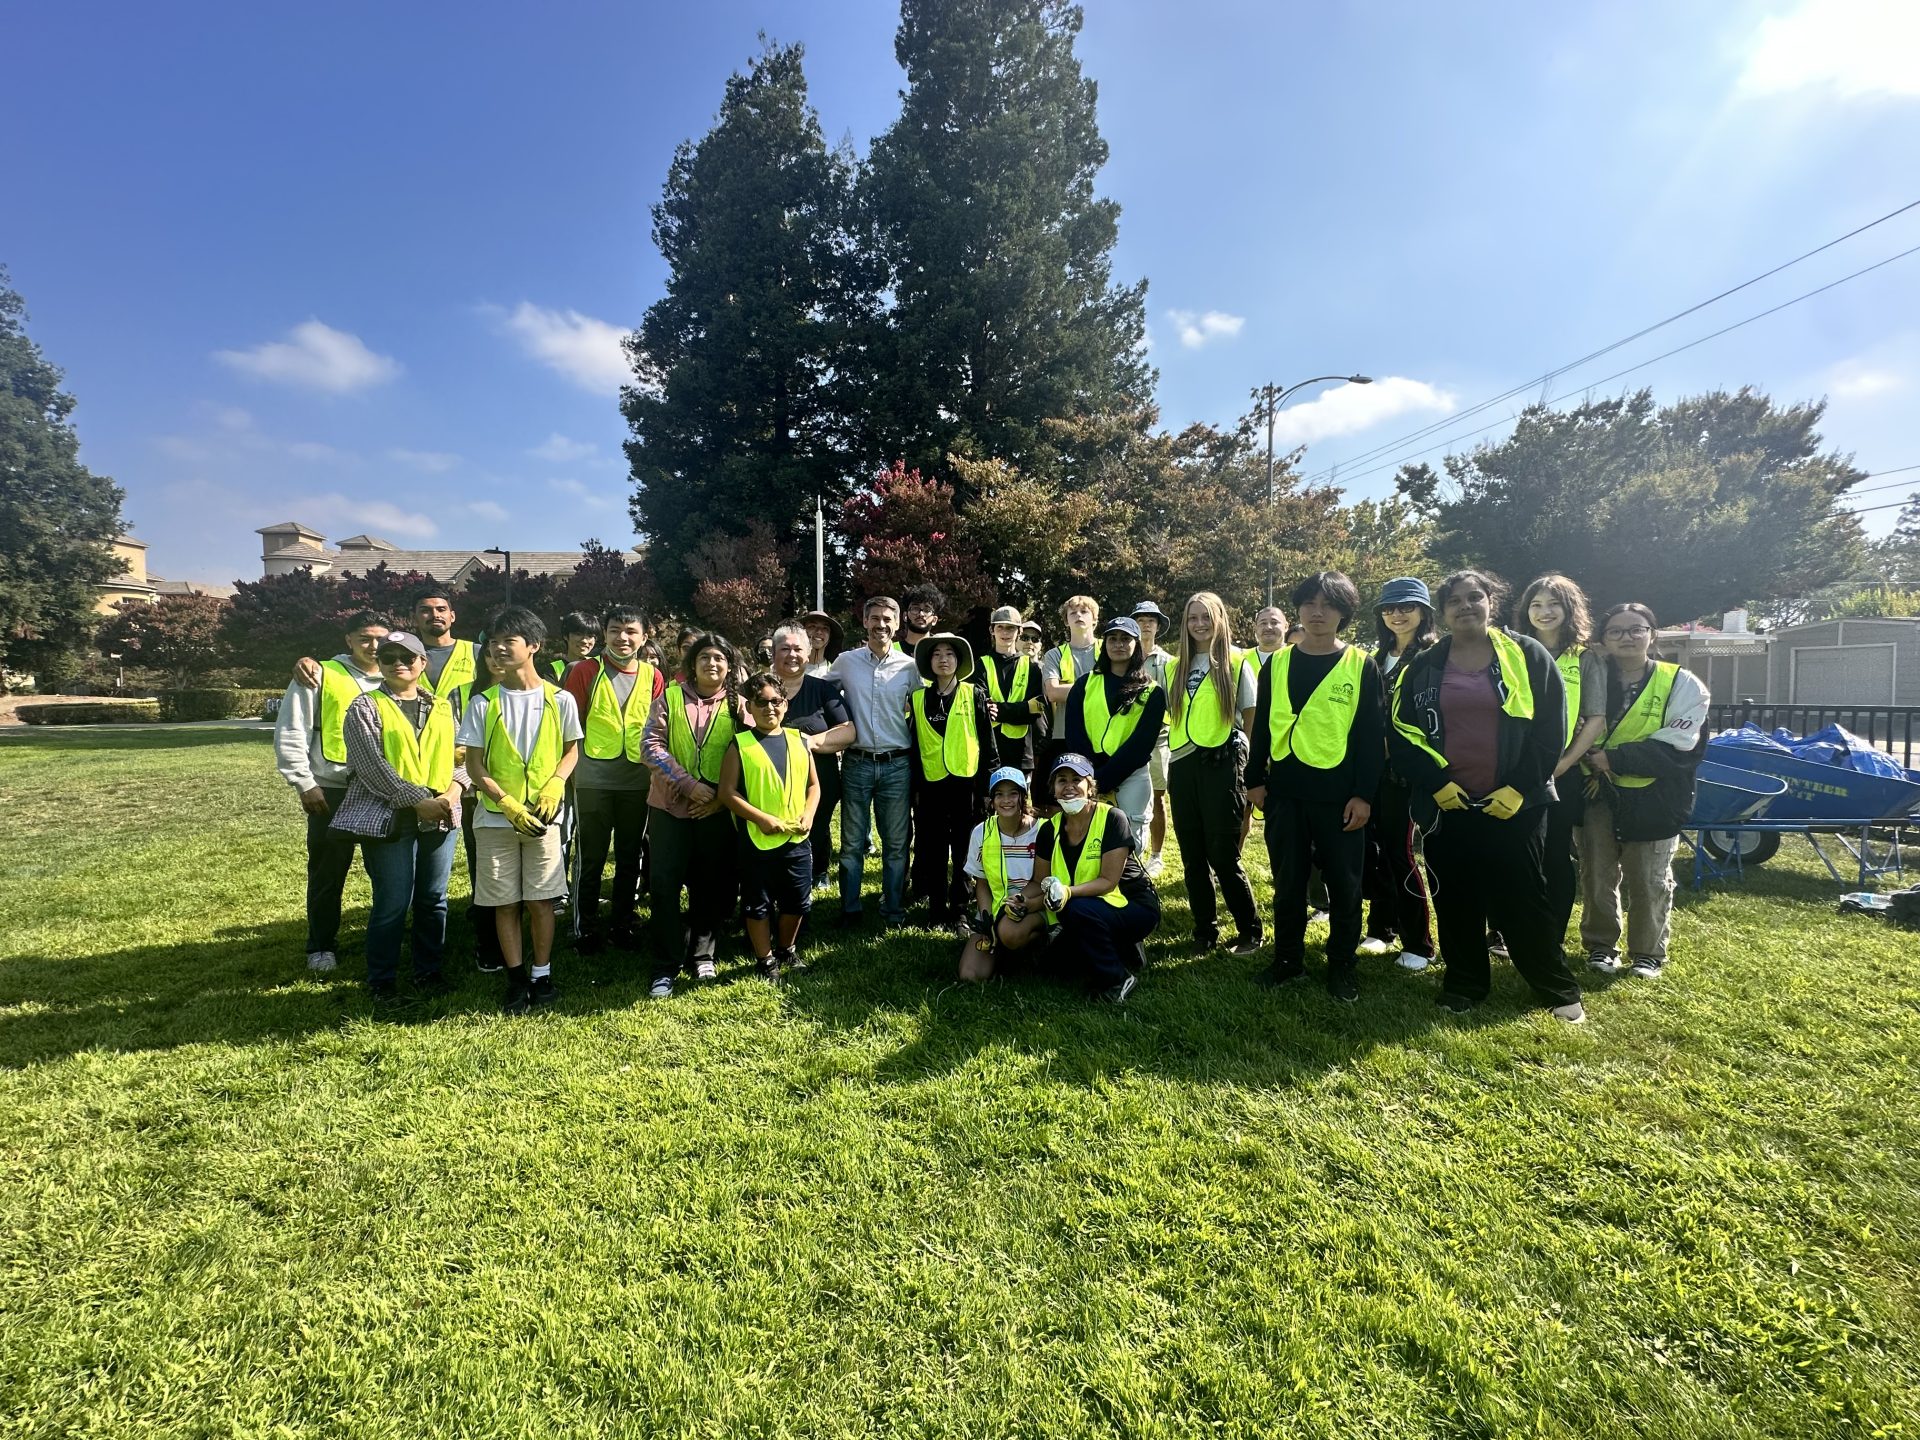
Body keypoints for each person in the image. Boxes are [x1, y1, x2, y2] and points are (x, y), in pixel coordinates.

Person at [1387, 570, 1586, 1022]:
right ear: (1443, 611)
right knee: (1455, 898)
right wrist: (1436, 784)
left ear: (1491, 602)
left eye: (1474, 597)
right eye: (1454, 600)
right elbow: (1401, 734)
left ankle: (1556, 987)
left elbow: (1550, 729)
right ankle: (1464, 983)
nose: (1465, 606)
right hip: (1448, 805)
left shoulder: (1527, 655)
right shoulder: (1424, 664)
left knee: (1522, 898)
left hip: (1514, 804)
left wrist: (1519, 787)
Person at [1244, 572, 1384, 1002]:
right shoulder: (1278, 662)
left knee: (1345, 885)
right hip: (1286, 793)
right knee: (1288, 882)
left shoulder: (1361, 665)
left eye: (1328, 604)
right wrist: (1254, 779)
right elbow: (1263, 725)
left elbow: (1370, 735)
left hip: (1341, 798)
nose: (1317, 612)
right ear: (1298, 610)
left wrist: (1364, 794)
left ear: (1344, 612)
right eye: (1309, 603)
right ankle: (1287, 960)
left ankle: (1342, 964)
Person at [458, 607, 584, 1014]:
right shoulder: (483, 703)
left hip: (546, 819)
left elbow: (571, 750)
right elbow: (474, 765)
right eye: (493, 642)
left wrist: (556, 784)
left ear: (533, 646)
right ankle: (515, 977)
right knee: (504, 901)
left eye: (507, 640)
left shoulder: (559, 699)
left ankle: (542, 973)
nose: (497, 648)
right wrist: (506, 803)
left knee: (541, 900)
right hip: (496, 820)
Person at [327, 631, 464, 999]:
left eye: (407, 656)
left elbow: (463, 756)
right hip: (391, 817)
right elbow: (370, 765)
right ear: (380, 664)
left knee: (433, 899)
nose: (398, 663)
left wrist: (455, 790)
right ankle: (382, 979)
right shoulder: (364, 707)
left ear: (423, 663)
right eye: (389, 657)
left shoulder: (443, 707)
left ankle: (428, 971)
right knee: (392, 901)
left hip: (440, 815)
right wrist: (416, 800)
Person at [1580, 603, 1709, 979]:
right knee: (1597, 874)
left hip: (1655, 797)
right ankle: (1601, 947)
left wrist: (1613, 758)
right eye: (1616, 631)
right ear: (1603, 639)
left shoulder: (1681, 682)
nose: (1627, 637)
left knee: (1649, 877)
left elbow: (1680, 743)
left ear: (1652, 634)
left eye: (1636, 629)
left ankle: (1647, 952)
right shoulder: (1593, 676)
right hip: (1596, 793)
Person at [274, 609, 389, 973]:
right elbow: (292, 730)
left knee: (388, 875)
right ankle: (321, 945)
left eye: (381, 639)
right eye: (365, 638)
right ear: (349, 640)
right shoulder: (320, 674)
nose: (374, 646)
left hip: (382, 791)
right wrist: (304, 782)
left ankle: (386, 939)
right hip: (332, 791)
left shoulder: (400, 673)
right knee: (327, 874)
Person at [641, 633, 743, 997]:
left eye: (719, 658)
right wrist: (688, 785)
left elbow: (749, 754)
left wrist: (718, 798)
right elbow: (650, 747)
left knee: (711, 884)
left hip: (716, 811)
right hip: (670, 808)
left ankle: (703, 953)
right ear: (692, 664)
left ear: (729, 666)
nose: (712, 664)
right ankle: (665, 963)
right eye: (704, 658)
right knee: (665, 886)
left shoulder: (739, 706)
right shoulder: (667, 697)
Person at [560, 605, 663, 954]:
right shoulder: (583, 671)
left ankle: (623, 924)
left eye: (631, 631)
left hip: (637, 779)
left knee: (630, 856)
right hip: (592, 780)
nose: (623, 637)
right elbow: (570, 729)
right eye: (615, 630)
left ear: (645, 637)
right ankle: (584, 929)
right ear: (604, 634)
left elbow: (656, 730)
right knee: (590, 857)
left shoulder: (653, 675)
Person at [1165, 592, 1262, 954]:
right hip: (1182, 764)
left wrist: (1247, 762)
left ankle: (1249, 930)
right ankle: (1204, 930)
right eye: (1193, 618)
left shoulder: (1237, 662)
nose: (1199, 624)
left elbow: (1250, 716)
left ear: (1220, 619)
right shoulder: (1175, 666)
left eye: (1206, 617)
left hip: (1222, 762)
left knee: (1222, 853)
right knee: (1191, 855)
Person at [1023, 754, 1161, 1002]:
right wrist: (1022, 901)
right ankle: (1123, 948)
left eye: (1077, 779)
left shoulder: (1112, 817)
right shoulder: (1049, 828)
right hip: (1087, 906)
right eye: (1061, 780)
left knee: (1074, 910)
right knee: (1053, 966)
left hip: (1133, 904)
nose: (1068, 786)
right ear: (1052, 788)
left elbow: (1108, 882)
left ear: (1090, 787)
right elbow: (1038, 882)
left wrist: (1067, 892)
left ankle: (1117, 979)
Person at [719, 671, 822, 981]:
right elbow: (727, 792)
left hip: (796, 839)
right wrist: (760, 819)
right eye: (760, 703)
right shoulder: (741, 744)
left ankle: (786, 949)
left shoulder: (799, 740)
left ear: (785, 705)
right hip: (757, 841)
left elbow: (814, 786)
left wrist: (809, 814)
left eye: (775, 701)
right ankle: (764, 959)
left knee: (797, 899)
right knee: (757, 903)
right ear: (749, 707)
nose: (769, 708)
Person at [1359, 577, 1440, 972]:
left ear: (1424, 611)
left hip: (1407, 774)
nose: (1396, 614)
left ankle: (1420, 944)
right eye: (1388, 608)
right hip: (1373, 770)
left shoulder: (1434, 657)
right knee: (1375, 852)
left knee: (1402, 853)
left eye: (1406, 606)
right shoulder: (1376, 657)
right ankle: (1381, 927)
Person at [1515, 573, 1599, 951]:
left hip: (1560, 774)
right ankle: (1505, 928)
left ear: (1570, 609)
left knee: (1555, 855)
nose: (1544, 612)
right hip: (1513, 770)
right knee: (1512, 851)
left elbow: (1596, 717)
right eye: (1536, 604)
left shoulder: (1586, 658)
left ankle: (1551, 936)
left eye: (1553, 604)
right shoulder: (1512, 651)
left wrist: (1565, 764)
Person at [830, 597, 922, 928]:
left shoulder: (910, 667)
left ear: (897, 625)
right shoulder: (845, 662)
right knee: (852, 843)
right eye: (875, 618)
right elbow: (819, 695)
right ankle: (850, 909)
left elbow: (928, 705)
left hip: (897, 764)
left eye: (887, 619)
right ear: (865, 622)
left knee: (896, 844)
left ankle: (894, 910)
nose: (881, 625)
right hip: (857, 762)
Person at [908, 632, 992, 930]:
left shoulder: (975, 694)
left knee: (962, 849)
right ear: (929, 662)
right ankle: (935, 910)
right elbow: (914, 749)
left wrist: (986, 791)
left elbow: (987, 744)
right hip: (930, 787)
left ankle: (959, 910)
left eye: (950, 654)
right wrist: (914, 790)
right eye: (937, 654)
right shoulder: (917, 699)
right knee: (932, 848)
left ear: (959, 661)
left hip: (966, 786)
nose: (943, 659)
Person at [1063, 617, 1166, 848]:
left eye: (1126, 639)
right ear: (1105, 644)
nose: (1118, 644)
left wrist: (1105, 778)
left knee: (1131, 840)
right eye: (1113, 639)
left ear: (1136, 644)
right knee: (1091, 836)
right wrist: (1092, 774)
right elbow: (1074, 733)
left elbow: (1141, 745)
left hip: (1132, 775)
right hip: (1088, 774)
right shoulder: (1084, 684)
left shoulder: (1152, 692)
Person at [767, 621, 854, 886]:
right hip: (770, 778)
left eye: (798, 649)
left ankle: (819, 870)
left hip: (818, 777)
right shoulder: (760, 690)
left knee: (816, 826)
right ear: (773, 653)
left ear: (807, 654)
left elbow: (848, 731)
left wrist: (811, 742)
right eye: (784, 649)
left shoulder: (822, 689)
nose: (792, 655)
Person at [290, 585, 478, 699]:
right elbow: (359, 662)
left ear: (452, 616)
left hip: (466, 749)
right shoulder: (395, 654)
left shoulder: (477, 653)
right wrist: (307, 661)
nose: (435, 615)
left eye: (441, 609)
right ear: (413, 617)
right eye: (425, 610)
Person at [957, 767, 1047, 980]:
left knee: (1010, 932)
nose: (1006, 800)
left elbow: (1046, 880)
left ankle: (1038, 945)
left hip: (1034, 906)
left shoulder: (1043, 830)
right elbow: (982, 882)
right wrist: (987, 920)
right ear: (992, 800)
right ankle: (1000, 946)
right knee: (970, 975)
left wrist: (1020, 904)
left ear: (1023, 797)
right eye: (999, 794)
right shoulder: (981, 832)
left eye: (1013, 793)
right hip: (997, 908)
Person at [1237, 603, 1289, 854]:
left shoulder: (1298, 657)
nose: (1269, 627)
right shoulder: (1240, 659)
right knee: (1240, 809)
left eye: (1275, 622)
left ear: (1286, 626)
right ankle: (1233, 858)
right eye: (1263, 623)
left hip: (1285, 746)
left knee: (1284, 818)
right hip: (1246, 744)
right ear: (1255, 629)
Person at [1130, 600, 1176, 877]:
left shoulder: (1168, 663)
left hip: (1159, 740)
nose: (1146, 624)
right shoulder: (1124, 656)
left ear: (1158, 626)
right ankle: (1131, 851)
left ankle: (1156, 855)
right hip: (1126, 738)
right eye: (1141, 619)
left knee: (1157, 798)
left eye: (1151, 620)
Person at [979, 605, 1046, 779]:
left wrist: (998, 710)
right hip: (987, 750)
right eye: (1000, 626)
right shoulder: (980, 665)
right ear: (991, 630)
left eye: (1010, 627)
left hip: (1021, 753)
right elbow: (980, 709)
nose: (1005, 632)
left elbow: (1035, 710)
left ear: (1019, 631)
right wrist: (1021, 708)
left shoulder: (1032, 668)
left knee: (1021, 805)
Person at [1039, 595, 1100, 784]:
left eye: (1084, 612)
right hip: (1063, 735)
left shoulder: (1107, 650)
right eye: (1073, 613)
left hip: (1101, 733)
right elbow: (1053, 693)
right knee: (1065, 793)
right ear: (1066, 621)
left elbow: (1116, 689)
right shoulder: (1054, 655)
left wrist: (1070, 691)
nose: (1078, 615)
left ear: (1095, 619)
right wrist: (1097, 688)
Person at [550, 612, 601, 681]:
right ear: (565, 636)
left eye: (590, 636)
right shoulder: (552, 669)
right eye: (578, 634)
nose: (584, 641)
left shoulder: (600, 666)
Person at [900, 584, 944, 653]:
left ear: (934, 620)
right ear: (905, 616)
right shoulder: (891, 651)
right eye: (915, 608)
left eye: (927, 610)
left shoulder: (942, 652)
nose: (921, 614)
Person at [800, 609, 844, 678]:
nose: (819, 632)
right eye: (812, 626)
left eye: (825, 628)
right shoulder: (790, 669)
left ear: (830, 637)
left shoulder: (835, 673)